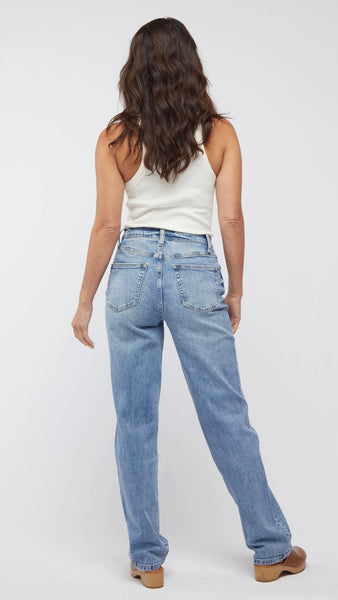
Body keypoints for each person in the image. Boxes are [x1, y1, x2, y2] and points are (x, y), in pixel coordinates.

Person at [71, 17, 306, 589]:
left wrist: (83, 302)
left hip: (129, 270)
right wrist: (236, 288)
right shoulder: (219, 132)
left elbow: (107, 225)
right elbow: (230, 217)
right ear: (190, 64)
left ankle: (146, 561)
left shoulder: (115, 137)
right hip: (194, 269)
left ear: (136, 70)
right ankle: (270, 548)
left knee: (134, 420)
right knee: (227, 413)